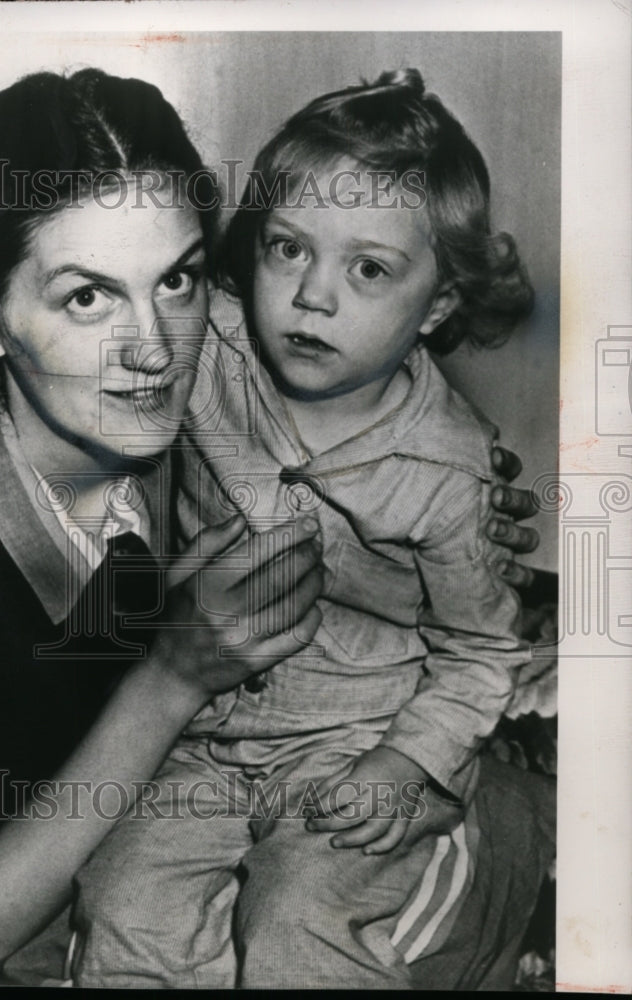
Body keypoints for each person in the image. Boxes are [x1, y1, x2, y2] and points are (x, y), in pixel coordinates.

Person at [0, 68, 544, 985]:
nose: (155, 349)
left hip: (96, 773)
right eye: (87, 297)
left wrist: (446, 496)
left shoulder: (187, 387)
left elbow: (350, 442)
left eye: (179, 279)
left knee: (431, 830)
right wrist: (176, 670)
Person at [73, 69, 552, 989]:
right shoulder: (208, 346)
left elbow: (481, 649)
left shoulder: (453, 478)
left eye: (369, 269)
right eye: (289, 250)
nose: (312, 297)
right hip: (199, 737)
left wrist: (412, 762)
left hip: (353, 747)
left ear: (440, 306)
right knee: (122, 903)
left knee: (298, 918)